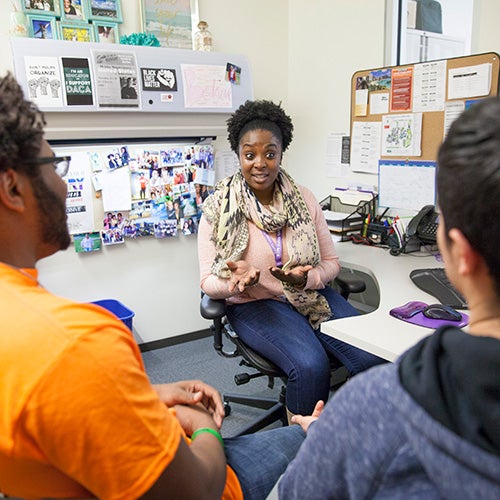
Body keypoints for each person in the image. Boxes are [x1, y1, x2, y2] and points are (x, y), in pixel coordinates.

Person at [0, 73, 306, 500]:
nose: (62, 182)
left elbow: (60, 409)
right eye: (54, 164)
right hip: (210, 482)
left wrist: (145, 393)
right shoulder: (77, 342)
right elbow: (198, 488)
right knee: (316, 438)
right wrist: (200, 424)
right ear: (12, 187)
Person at [279, 98, 500, 498]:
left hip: (313, 307)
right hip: (263, 307)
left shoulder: (372, 411)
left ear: (459, 253)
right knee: (310, 361)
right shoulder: (221, 206)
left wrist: (326, 442)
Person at [198, 100, 385, 419]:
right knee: (311, 366)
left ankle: (353, 430)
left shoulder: (304, 198)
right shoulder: (218, 208)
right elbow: (207, 283)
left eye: (270, 153)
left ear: (281, 154)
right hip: (253, 304)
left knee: (372, 355)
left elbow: (331, 263)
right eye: (250, 154)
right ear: (239, 155)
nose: (260, 163)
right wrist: (234, 281)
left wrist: (307, 279)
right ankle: (301, 447)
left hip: (310, 294)